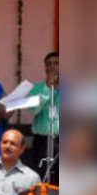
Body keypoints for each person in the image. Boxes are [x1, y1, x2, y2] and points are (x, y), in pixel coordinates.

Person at [27, 52, 59, 182]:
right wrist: (47, 88)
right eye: (48, 64)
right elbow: (34, 109)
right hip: (42, 141)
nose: (52, 67)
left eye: (56, 63)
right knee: (41, 177)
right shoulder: (37, 88)